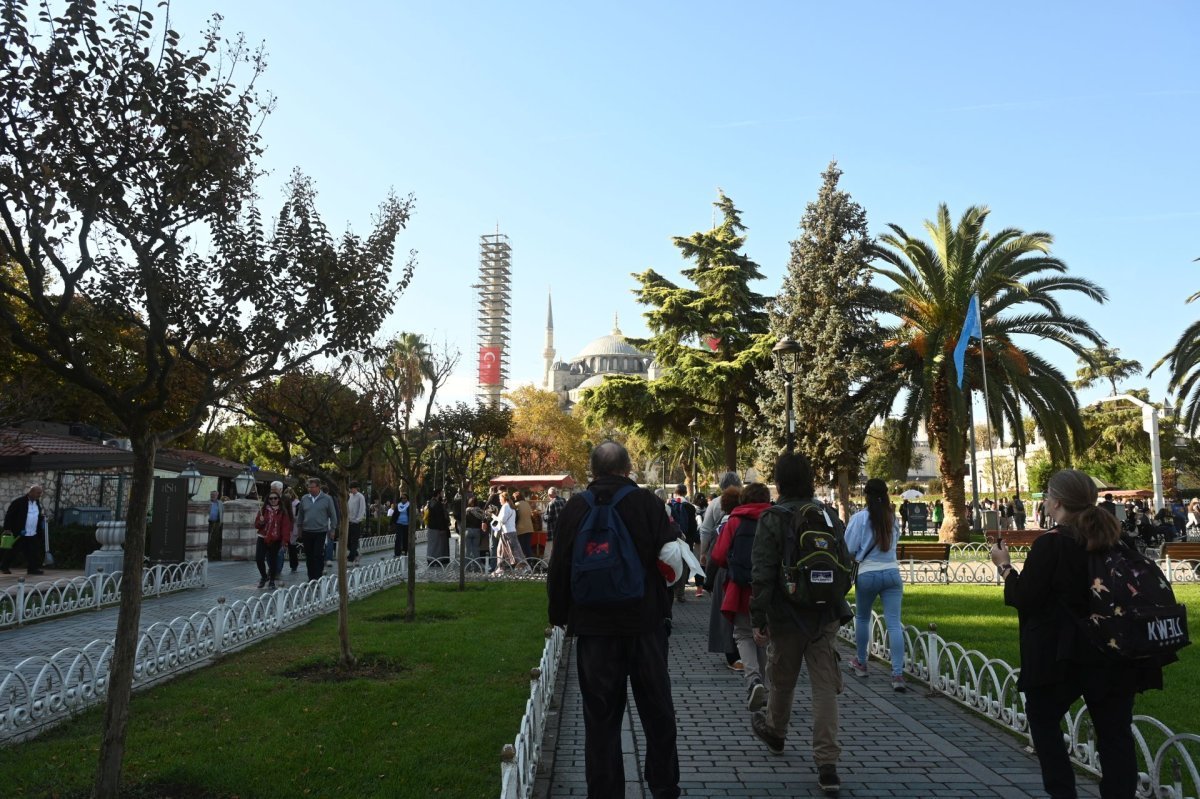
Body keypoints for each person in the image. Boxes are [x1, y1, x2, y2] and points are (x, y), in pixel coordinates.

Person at [990, 469, 1165, 799]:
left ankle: (1062, 792)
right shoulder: (1117, 540)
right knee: (1115, 734)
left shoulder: (1052, 545)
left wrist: (1005, 567)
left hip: (1061, 655)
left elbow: (1024, 597)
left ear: (1055, 503)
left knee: (1043, 720)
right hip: (1113, 650)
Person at [547, 441, 680, 799]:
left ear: (593, 471)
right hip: (644, 626)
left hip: (594, 630)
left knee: (601, 720)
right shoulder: (648, 504)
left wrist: (561, 615)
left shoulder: (576, 508)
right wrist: (664, 604)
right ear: (627, 468)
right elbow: (671, 560)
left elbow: (559, 566)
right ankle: (664, 785)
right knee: (657, 712)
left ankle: (605, 792)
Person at [749, 452, 847, 794]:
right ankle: (827, 764)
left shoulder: (772, 518)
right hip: (824, 616)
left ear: (779, 481)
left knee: (782, 678)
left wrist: (758, 616)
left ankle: (776, 731)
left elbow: (761, 572)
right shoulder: (828, 515)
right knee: (824, 687)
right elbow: (846, 566)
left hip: (786, 614)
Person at [710, 481, 773, 710]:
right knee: (765, 638)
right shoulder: (774, 518)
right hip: (770, 589)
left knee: (743, 634)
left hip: (741, 587)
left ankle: (753, 678)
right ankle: (765, 685)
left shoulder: (735, 520)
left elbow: (718, 555)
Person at [844, 478, 906, 691]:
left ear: (866, 496)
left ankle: (861, 662)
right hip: (891, 572)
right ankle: (898, 674)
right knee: (894, 623)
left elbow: (848, 548)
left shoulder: (860, 518)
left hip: (868, 573)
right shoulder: (892, 519)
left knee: (862, 617)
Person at [295, 478, 338, 581]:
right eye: (308, 487)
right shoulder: (305, 498)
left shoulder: (327, 499)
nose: (310, 489)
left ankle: (318, 576)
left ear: (318, 487)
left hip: (320, 531)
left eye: (312, 487)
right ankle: (311, 578)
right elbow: (300, 515)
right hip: (307, 531)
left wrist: (333, 529)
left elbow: (333, 515)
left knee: (317, 554)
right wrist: (299, 528)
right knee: (309, 556)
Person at [1, 484, 47, 576]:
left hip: (32, 532)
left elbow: (35, 515)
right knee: (13, 551)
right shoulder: (19, 502)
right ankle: (4, 567)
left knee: (33, 552)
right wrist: (7, 528)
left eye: (40, 493)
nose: (39, 495)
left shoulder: (36, 503)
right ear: (31, 492)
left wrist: (42, 519)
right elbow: (9, 516)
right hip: (20, 532)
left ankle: (32, 569)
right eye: (38, 493)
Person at [254, 491, 293, 589]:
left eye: (275, 498)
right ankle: (264, 577)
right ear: (268, 500)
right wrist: (261, 522)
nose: (273, 500)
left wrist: (285, 541)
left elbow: (285, 527)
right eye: (271, 498)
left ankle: (271, 580)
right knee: (259, 558)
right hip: (263, 537)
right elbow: (257, 525)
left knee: (272, 561)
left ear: (278, 499)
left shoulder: (282, 512)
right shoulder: (263, 510)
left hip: (276, 539)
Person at [492, 491, 528, 575]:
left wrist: (494, 517)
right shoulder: (511, 507)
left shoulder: (505, 507)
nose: (499, 500)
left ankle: (524, 567)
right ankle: (502, 568)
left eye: (500, 498)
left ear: (504, 499)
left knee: (511, 551)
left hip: (507, 532)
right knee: (508, 550)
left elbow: (502, 520)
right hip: (511, 531)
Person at [425, 491, 450, 567]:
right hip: (437, 528)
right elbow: (440, 517)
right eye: (441, 494)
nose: (442, 495)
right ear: (438, 494)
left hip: (431, 527)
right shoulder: (437, 504)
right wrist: (442, 528)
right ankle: (436, 560)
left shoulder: (430, 503)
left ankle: (431, 559)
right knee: (437, 545)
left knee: (433, 545)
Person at [543, 486, 567, 562]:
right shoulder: (563, 501)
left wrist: (544, 516)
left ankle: (545, 565)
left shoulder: (551, 503)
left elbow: (549, 518)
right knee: (560, 548)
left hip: (553, 530)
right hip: (563, 529)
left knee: (548, 548)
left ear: (550, 495)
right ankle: (561, 563)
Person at [346, 481, 366, 564]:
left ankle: (351, 559)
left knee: (354, 541)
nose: (351, 490)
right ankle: (356, 553)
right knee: (348, 542)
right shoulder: (350, 496)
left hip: (356, 522)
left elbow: (362, 509)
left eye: (352, 489)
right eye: (350, 489)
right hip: (349, 521)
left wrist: (358, 520)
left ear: (356, 488)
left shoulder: (360, 497)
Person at [513, 489, 535, 559]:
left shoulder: (516, 505)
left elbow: (515, 517)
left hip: (521, 528)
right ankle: (531, 562)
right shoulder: (527, 504)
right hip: (529, 528)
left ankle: (524, 564)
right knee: (527, 546)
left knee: (521, 548)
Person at [206, 490, 223, 562]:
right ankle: (208, 554)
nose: (212, 496)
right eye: (211, 495)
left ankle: (213, 554)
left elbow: (222, 512)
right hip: (208, 523)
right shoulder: (207, 502)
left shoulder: (220, 503)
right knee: (208, 539)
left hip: (217, 523)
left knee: (215, 539)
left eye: (214, 495)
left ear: (217, 495)